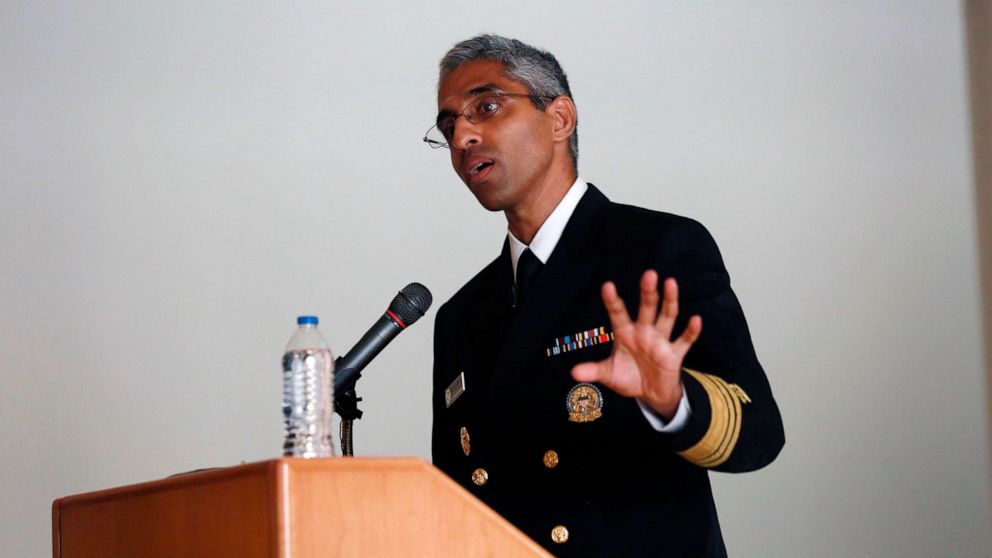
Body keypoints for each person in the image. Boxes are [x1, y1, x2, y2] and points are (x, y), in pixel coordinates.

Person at [427, 34, 784, 558]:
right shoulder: (460, 315)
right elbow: (457, 506)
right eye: (449, 125)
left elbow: (758, 433)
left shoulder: (655, 248)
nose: (463, 137)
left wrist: (672, 400)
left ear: (559, 119)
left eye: (487, 107)